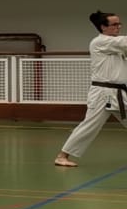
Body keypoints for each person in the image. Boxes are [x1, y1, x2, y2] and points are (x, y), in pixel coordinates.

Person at [54, 9, 127, 167]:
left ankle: (62, 155)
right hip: (102, 94)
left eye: (119, 24)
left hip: (118, 93)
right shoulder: (100, 42)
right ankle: (62, 156)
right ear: (103, 27)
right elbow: (124, 42)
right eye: (114, 24)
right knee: (90, 125)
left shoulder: (116, 46)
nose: (118, 27)